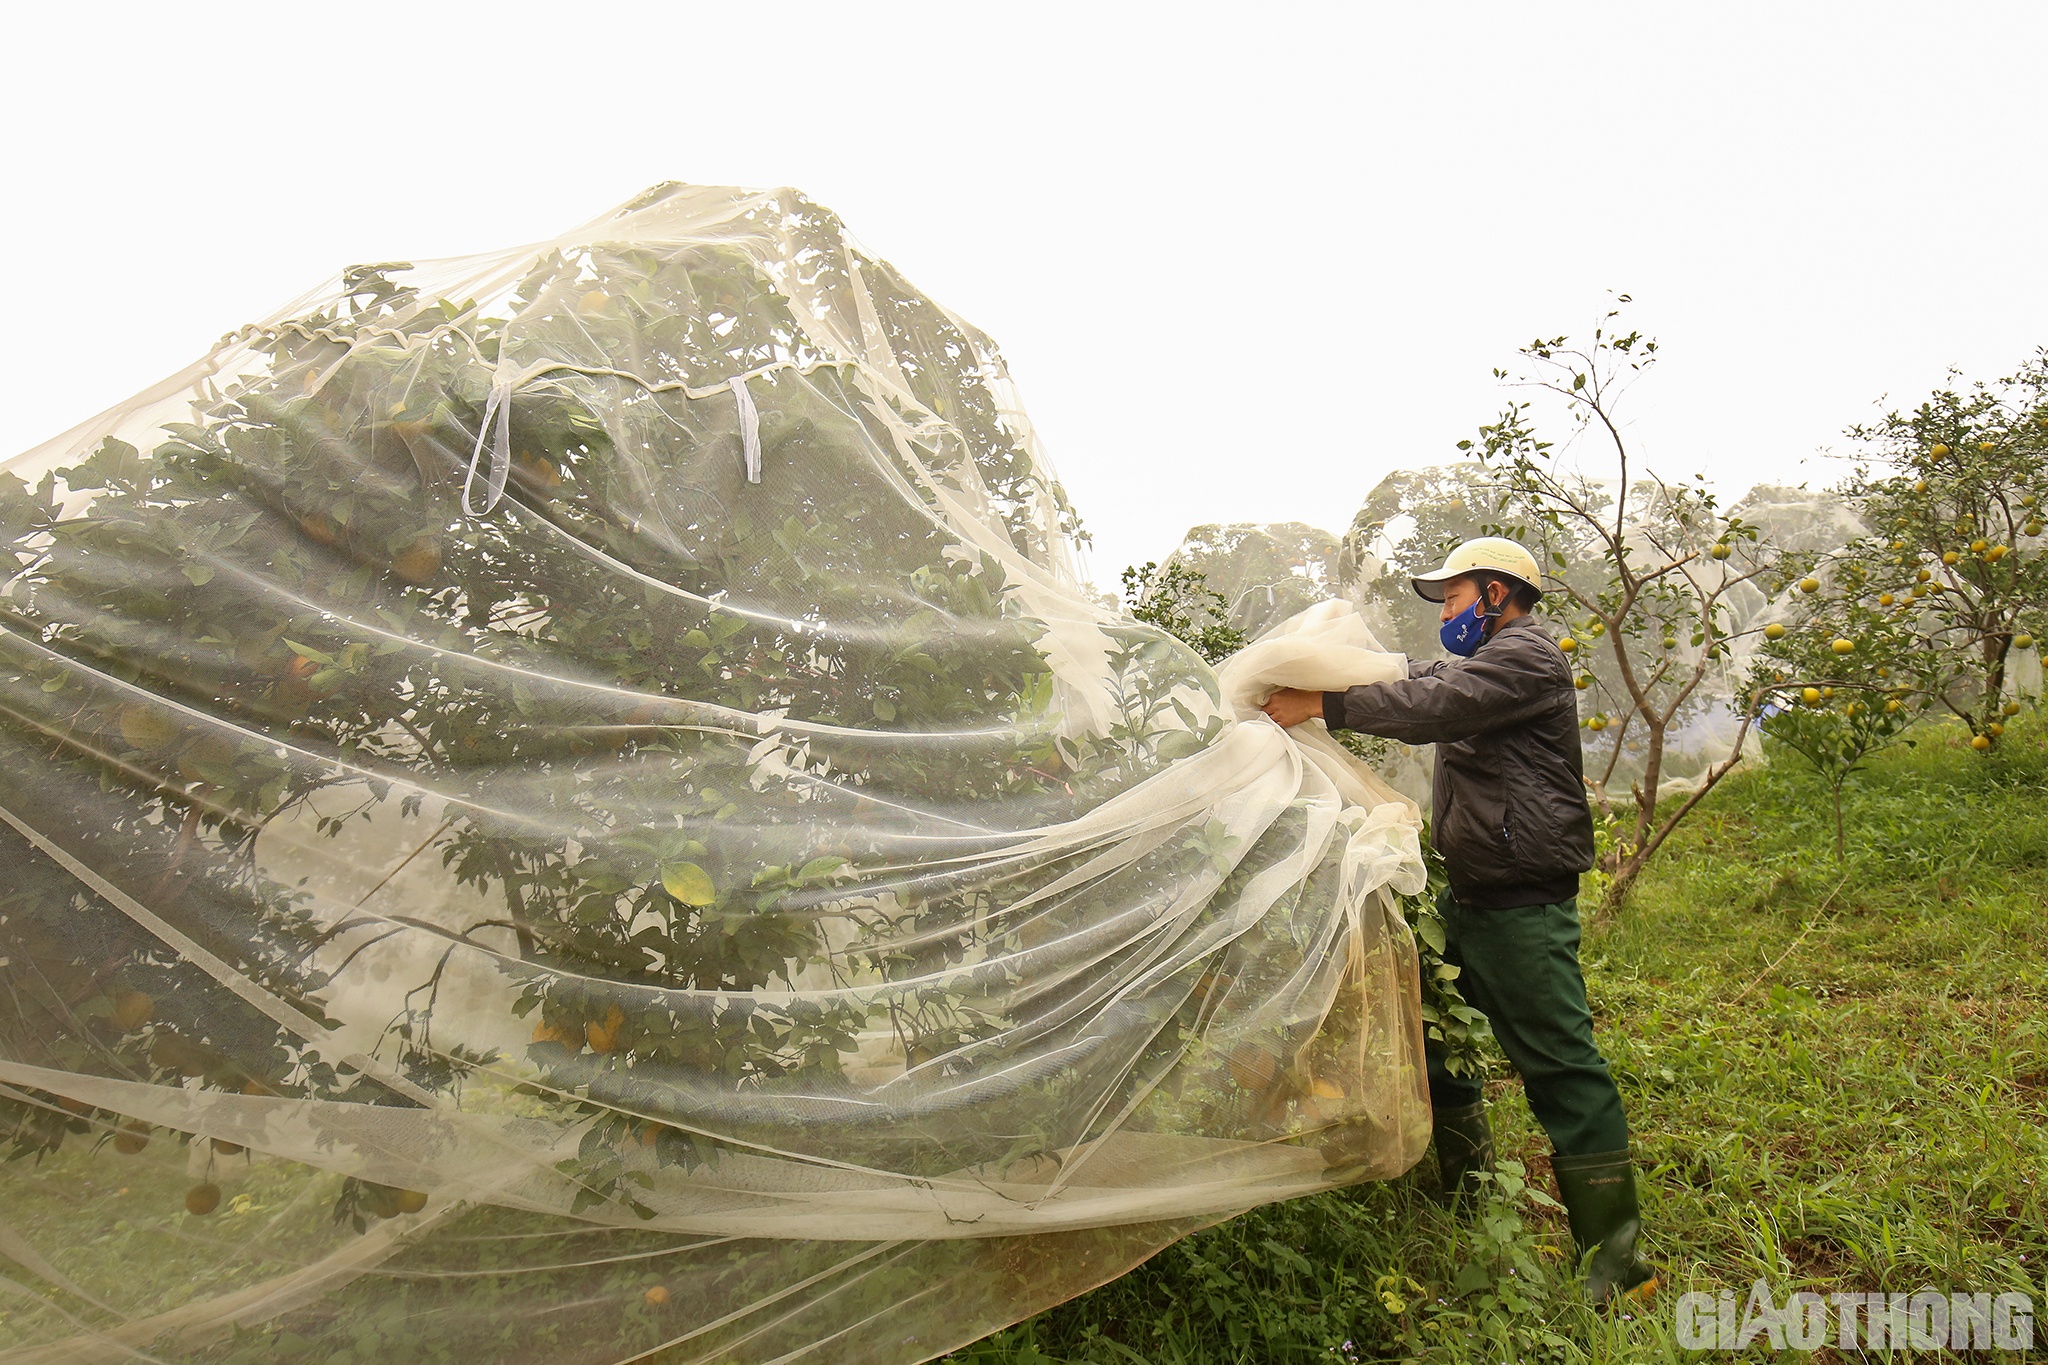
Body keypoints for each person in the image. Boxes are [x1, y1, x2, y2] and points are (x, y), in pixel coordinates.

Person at [1259, 537, 1657, 1305]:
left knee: (1561, 1067)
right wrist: (1324, 671)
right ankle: (1468, 1195)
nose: (1445, 611)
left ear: (1499, 594)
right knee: (1439, 1039)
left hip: (1521, 903)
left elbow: (1436, 703)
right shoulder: (1487, 662)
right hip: (1473, 896)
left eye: (1453, 596)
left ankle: (1618, 1265)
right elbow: (1422, 675)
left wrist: (1324, 705)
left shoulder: (1528, 657)